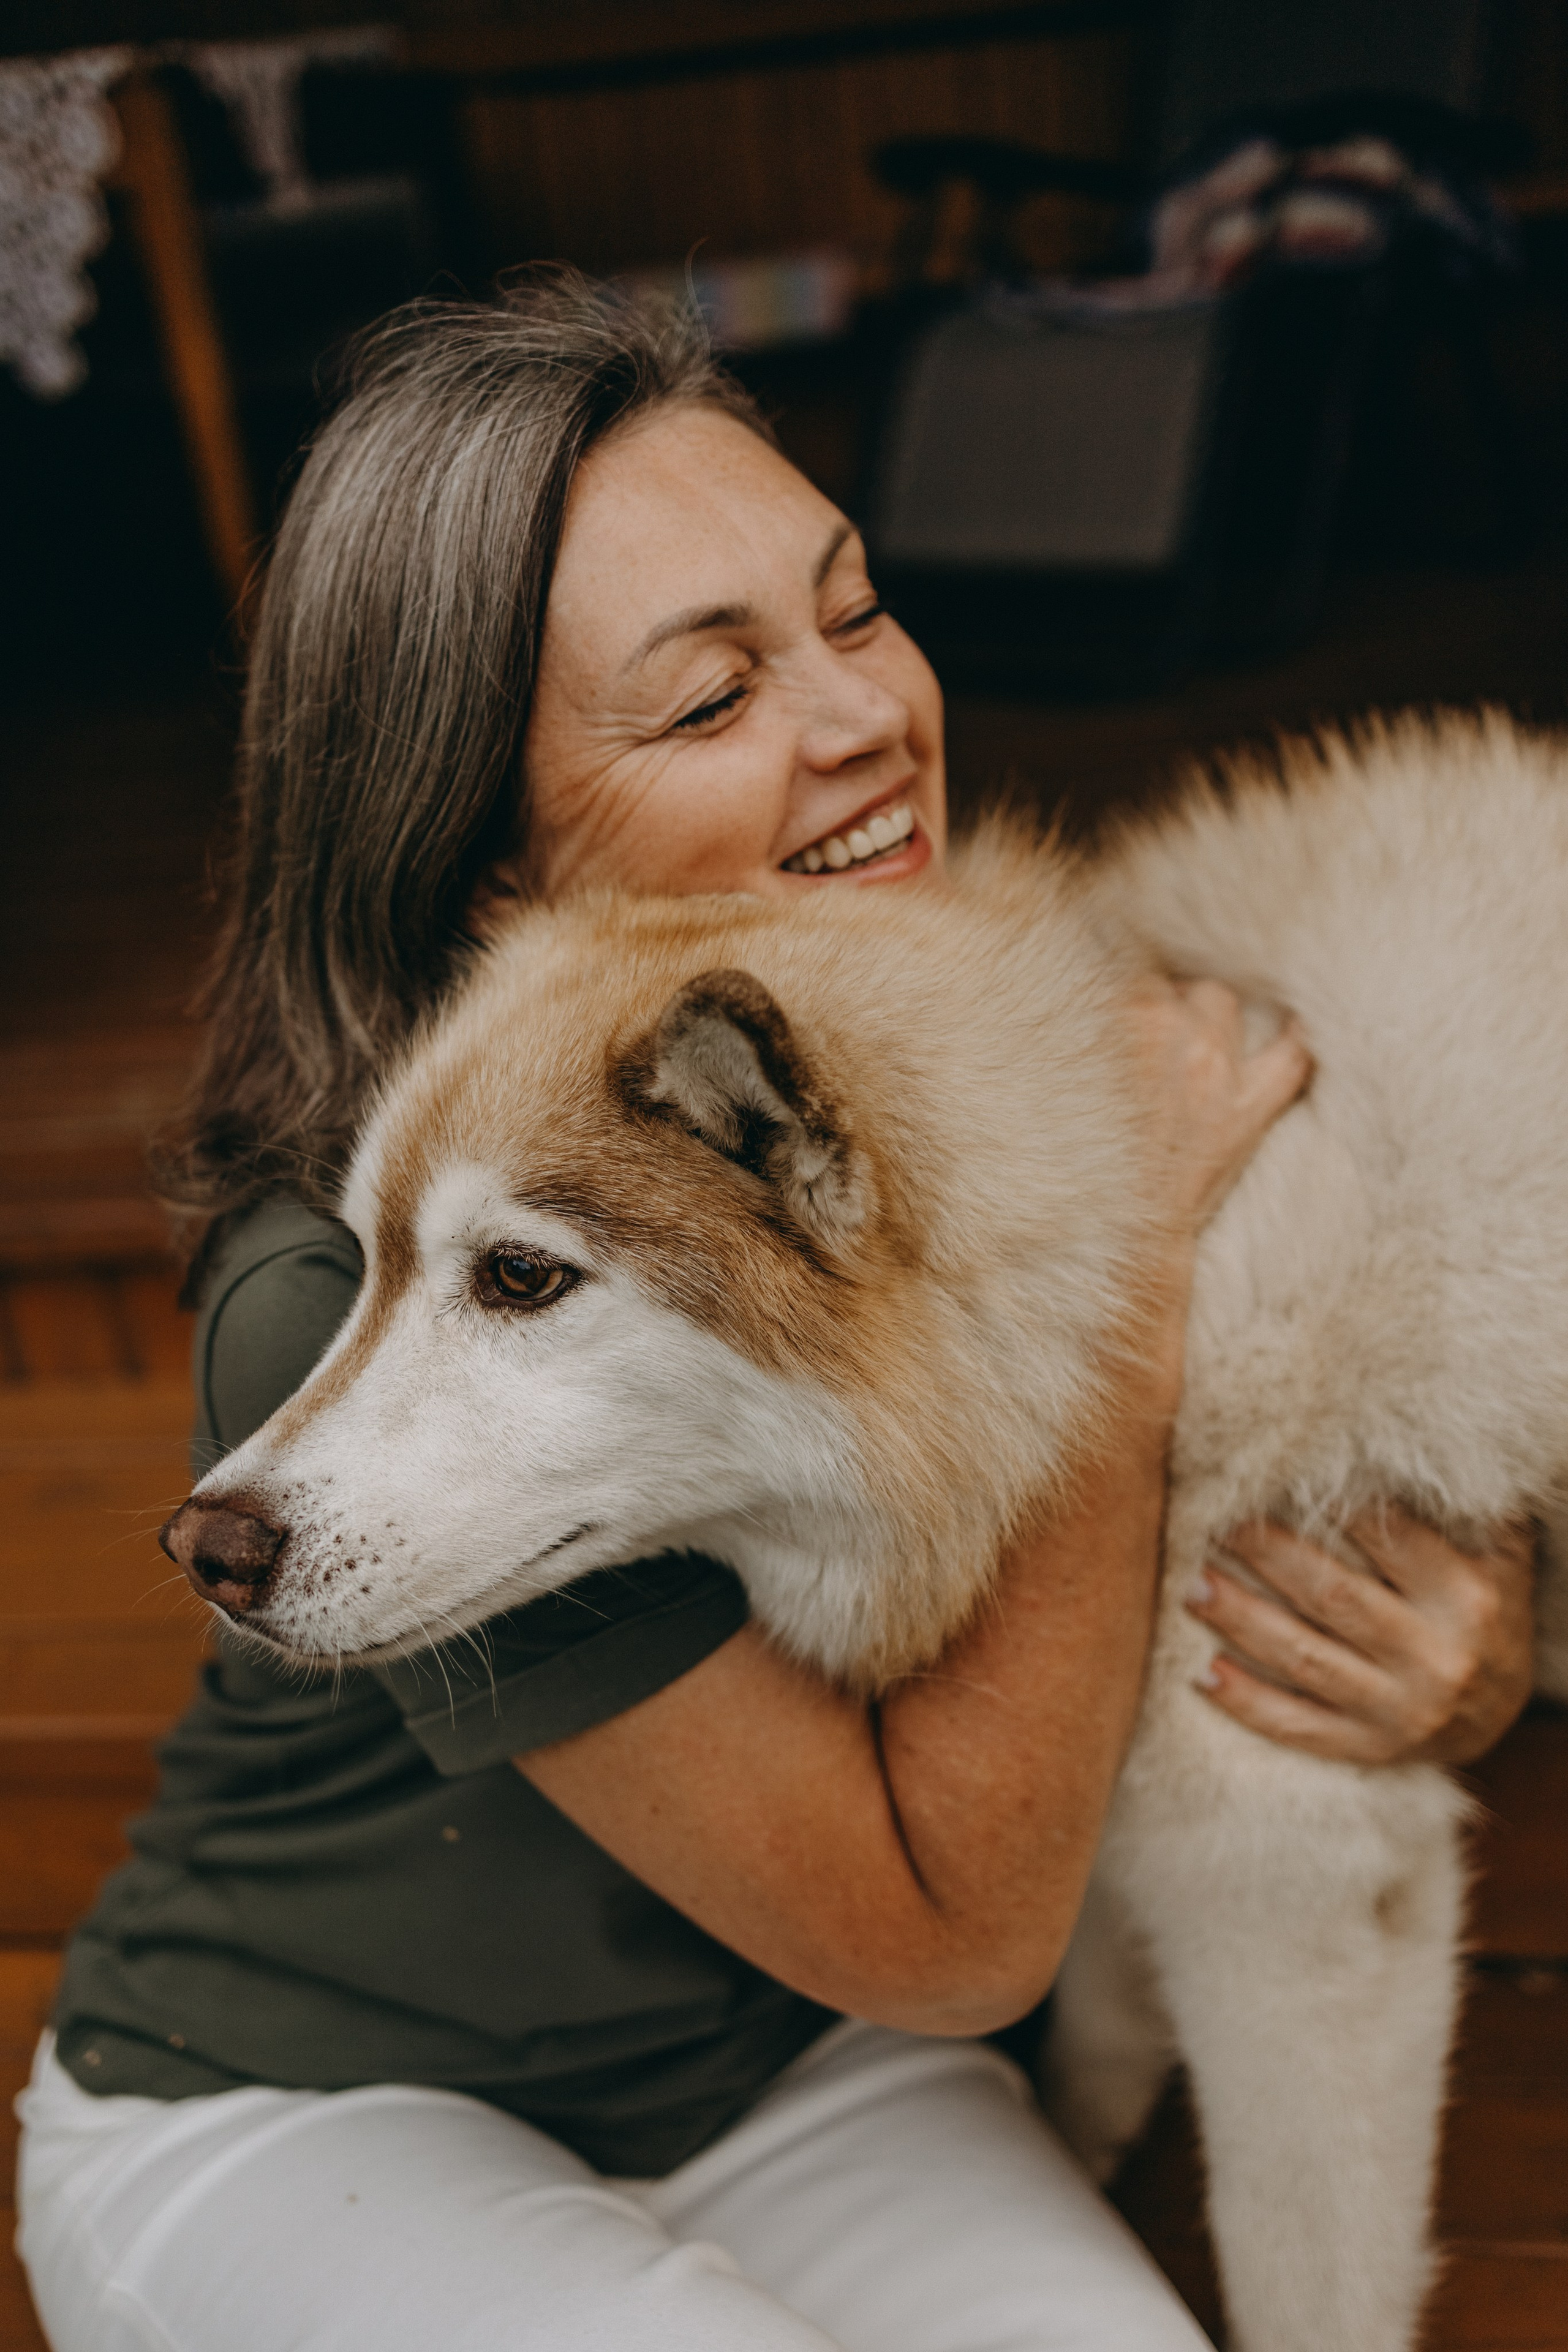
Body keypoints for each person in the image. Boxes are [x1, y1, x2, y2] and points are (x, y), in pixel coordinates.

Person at [17, 273, 1535, 2352]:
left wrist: (1471, 1651)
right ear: (490, 862)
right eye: (712, 698)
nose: (863, 723)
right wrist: (1140, 1284)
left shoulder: (927, 1048)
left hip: (798, 2062)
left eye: (853, 610)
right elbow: (951, 1937)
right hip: (336, 2098)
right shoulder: (350, 1295)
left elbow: (1297, 1539)